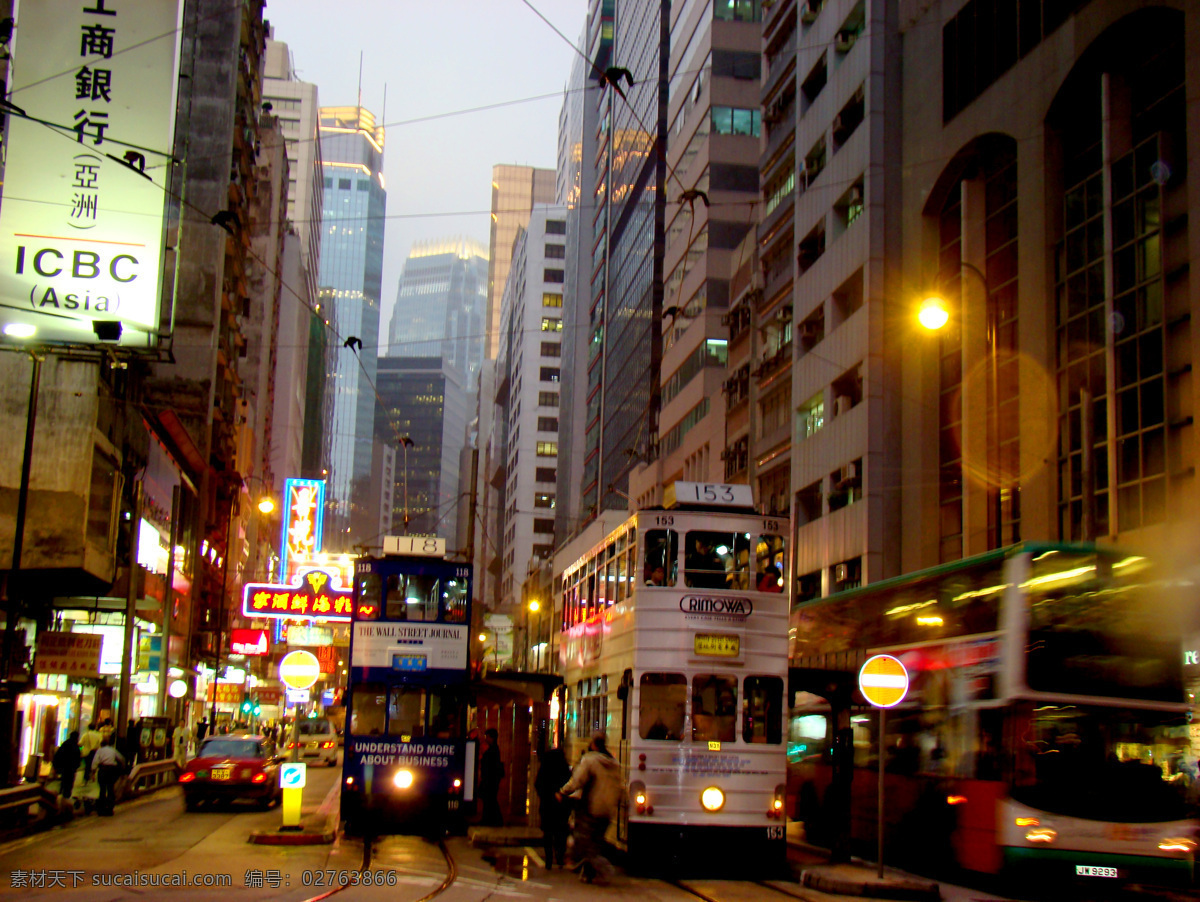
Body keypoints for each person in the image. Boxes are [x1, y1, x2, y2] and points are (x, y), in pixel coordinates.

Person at [558, 732, 623, 884]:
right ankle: (588, 875)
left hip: (591, 808)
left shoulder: (590, 760)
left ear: (593, 745)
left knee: (585, 844)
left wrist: (562, 791)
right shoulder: (614, 764)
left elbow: (577, 781)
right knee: (596, 842)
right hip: (607, 811)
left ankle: (605, 869)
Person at [534, 747, 572, 869]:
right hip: (561, 807)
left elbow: (538, 784)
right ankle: (560, 857)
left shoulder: (545, 768)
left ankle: (549, 859)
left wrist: (546, 795)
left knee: (548, 833)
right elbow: (570, 785)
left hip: (547, 805)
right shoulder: (564, 769)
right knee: (561, 832)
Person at [93, 735, 126, 816]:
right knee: (110, 788)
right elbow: (121, 759)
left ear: (101, 744)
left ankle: (101, 809)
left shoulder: (99, 751)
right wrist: (122, 768)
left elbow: (95, 762)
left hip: (103, 770)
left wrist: (93, 772)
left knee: (102, 790)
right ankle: (110, 808)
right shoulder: (112, 750)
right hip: (111, 770)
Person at [478, 728, 505, 826]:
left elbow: (488, 764)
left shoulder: (492, 750)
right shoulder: (494, 749)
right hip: (491, 779)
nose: (486, 739)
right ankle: (490, 820)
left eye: (487, 737)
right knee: (489, 800)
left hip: (490, 780)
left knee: (490, 800)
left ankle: (493, 820)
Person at [52, 731, 82, 801]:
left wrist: (56, 766)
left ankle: (61, 797)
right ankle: (66, 798)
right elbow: (78, 758)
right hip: (71, 769)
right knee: (69, 784)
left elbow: (58, 755)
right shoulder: (75, 746)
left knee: (63, 782)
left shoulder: (65, 744)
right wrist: (76, 766)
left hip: (64, 767)